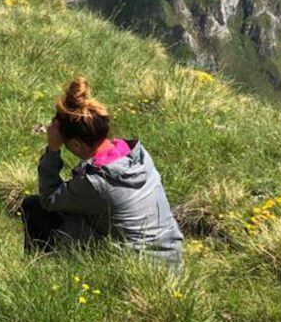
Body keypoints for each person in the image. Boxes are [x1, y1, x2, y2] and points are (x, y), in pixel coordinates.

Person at [20, 77, 184, 266]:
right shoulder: (137, 155)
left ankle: (39, 272)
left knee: (35, 208)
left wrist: (53, 150)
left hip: (139, 268)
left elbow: (49, 199)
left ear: (76, 144)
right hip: (172, 258)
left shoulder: (97, 181)